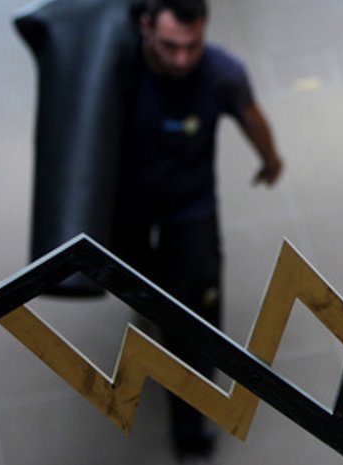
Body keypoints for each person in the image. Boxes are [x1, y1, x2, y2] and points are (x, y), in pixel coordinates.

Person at [111, 0, 283, 463]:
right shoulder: (116, 65)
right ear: (146, 26)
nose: (183, 58)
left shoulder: (221, 74)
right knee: (135, 278)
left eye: (193, 45)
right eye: (170, 46)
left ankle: (192, 432)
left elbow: (251, 115)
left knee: (196, 319)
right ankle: (150, 302)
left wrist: (270, 160)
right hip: (126, 205)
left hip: (190, 205)